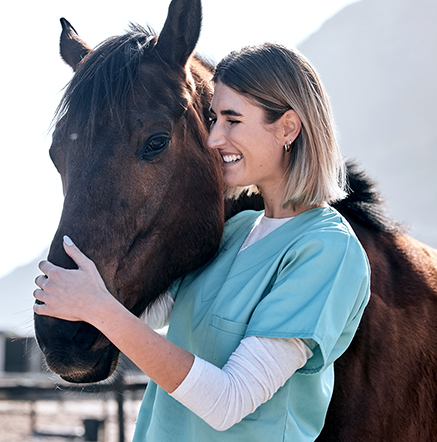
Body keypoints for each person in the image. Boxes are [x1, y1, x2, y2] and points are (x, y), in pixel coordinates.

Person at [34, 43, 370, 442]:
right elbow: (145, 319)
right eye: (214, 119)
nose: (213, 138)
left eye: (232, 120)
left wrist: (98, 307)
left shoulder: (326, 252)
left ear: (287, 128)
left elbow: (230, 400)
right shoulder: (232, 235)